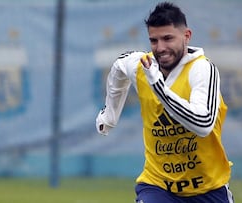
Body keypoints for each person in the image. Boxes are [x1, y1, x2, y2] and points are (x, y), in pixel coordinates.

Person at [95, 2, 233, 202]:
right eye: (154, 40)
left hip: (208, 188)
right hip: (158, 186)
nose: (160, 48)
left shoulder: (202, 70)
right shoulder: (143, 65)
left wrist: (157, 85)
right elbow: (119, 66)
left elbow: (202, 125)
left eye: (168, 38)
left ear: (187, 36)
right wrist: (109, 116)